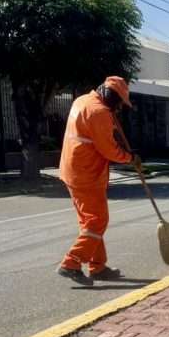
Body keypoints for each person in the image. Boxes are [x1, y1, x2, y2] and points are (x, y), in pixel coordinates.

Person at [56, 76, 139, 286]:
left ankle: (98, 267)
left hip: (73, 170)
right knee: (97, 221)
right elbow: (109, 150)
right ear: (111, 98)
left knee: (90, 222)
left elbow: (97, 138)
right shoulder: (99, 112)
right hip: (86, 175)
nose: (120, 108)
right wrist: (130, 158)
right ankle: (71, 262)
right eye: (119, 103)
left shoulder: (82, 101)